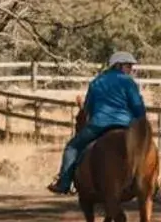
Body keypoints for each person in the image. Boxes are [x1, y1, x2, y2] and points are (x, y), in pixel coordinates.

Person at [49, 52, 149, 194]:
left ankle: (64, 183)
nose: (131, 70)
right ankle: (150, 183)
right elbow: (138, 108)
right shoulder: (129, 82)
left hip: (98, 125)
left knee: (72, 147)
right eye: (128, 66)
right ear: (119, 65)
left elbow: (88, 108)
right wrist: (140, 120)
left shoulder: (96, 82)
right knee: (145, 148)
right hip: (125, 126)